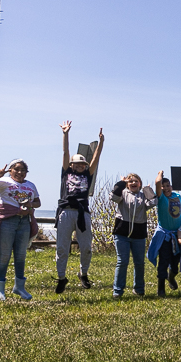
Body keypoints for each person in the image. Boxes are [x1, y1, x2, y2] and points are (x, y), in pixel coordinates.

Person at [0, 160, 41, 301]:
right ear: (10, 170)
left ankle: (19, 287)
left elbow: (38, 202)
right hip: (8, 222)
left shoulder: (31, 185)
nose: (20, 172)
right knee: (5, 256)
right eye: (16, 169)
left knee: (20, 256)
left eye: (23, 170)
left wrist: (31, 204)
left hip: (24, 222)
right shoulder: (3, 182)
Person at [55, 120, 103, 294]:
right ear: (72, 165)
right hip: (66, 212)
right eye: (77, 164)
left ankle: (83, 274)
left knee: (86, 247)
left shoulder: (87, 175)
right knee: (62, 247)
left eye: (83, 164)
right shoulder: (66, 172)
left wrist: (101, 143)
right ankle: (61, 277)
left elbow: (95, 159)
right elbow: (65, 152)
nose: (80, 166)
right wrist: (65, 134)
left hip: (83, 213)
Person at [109, 173, 157, 299]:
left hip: (139, 234)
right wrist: (120, 184)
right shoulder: (123, 193)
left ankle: (139, 289)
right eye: (130, 181)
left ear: (140, 184)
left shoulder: (143, 195)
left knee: (139, 263)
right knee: (122, 262)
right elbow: (113, 197)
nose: (133, 183)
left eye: (136, 181)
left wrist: (148, 190)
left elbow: (153, 202)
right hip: (122, 233)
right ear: (127, 184)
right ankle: (118, 291)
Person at [148, 171, 181, 297]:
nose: (166, 188)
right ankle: (161, 289)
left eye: (168, 185)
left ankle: (171, 277)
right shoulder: (161, 198)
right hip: (165, 236)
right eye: (163, 186)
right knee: (163, 262)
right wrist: (160, 174)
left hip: (178, 235)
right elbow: (158, 182)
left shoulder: (178, 196)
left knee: (175, 264)